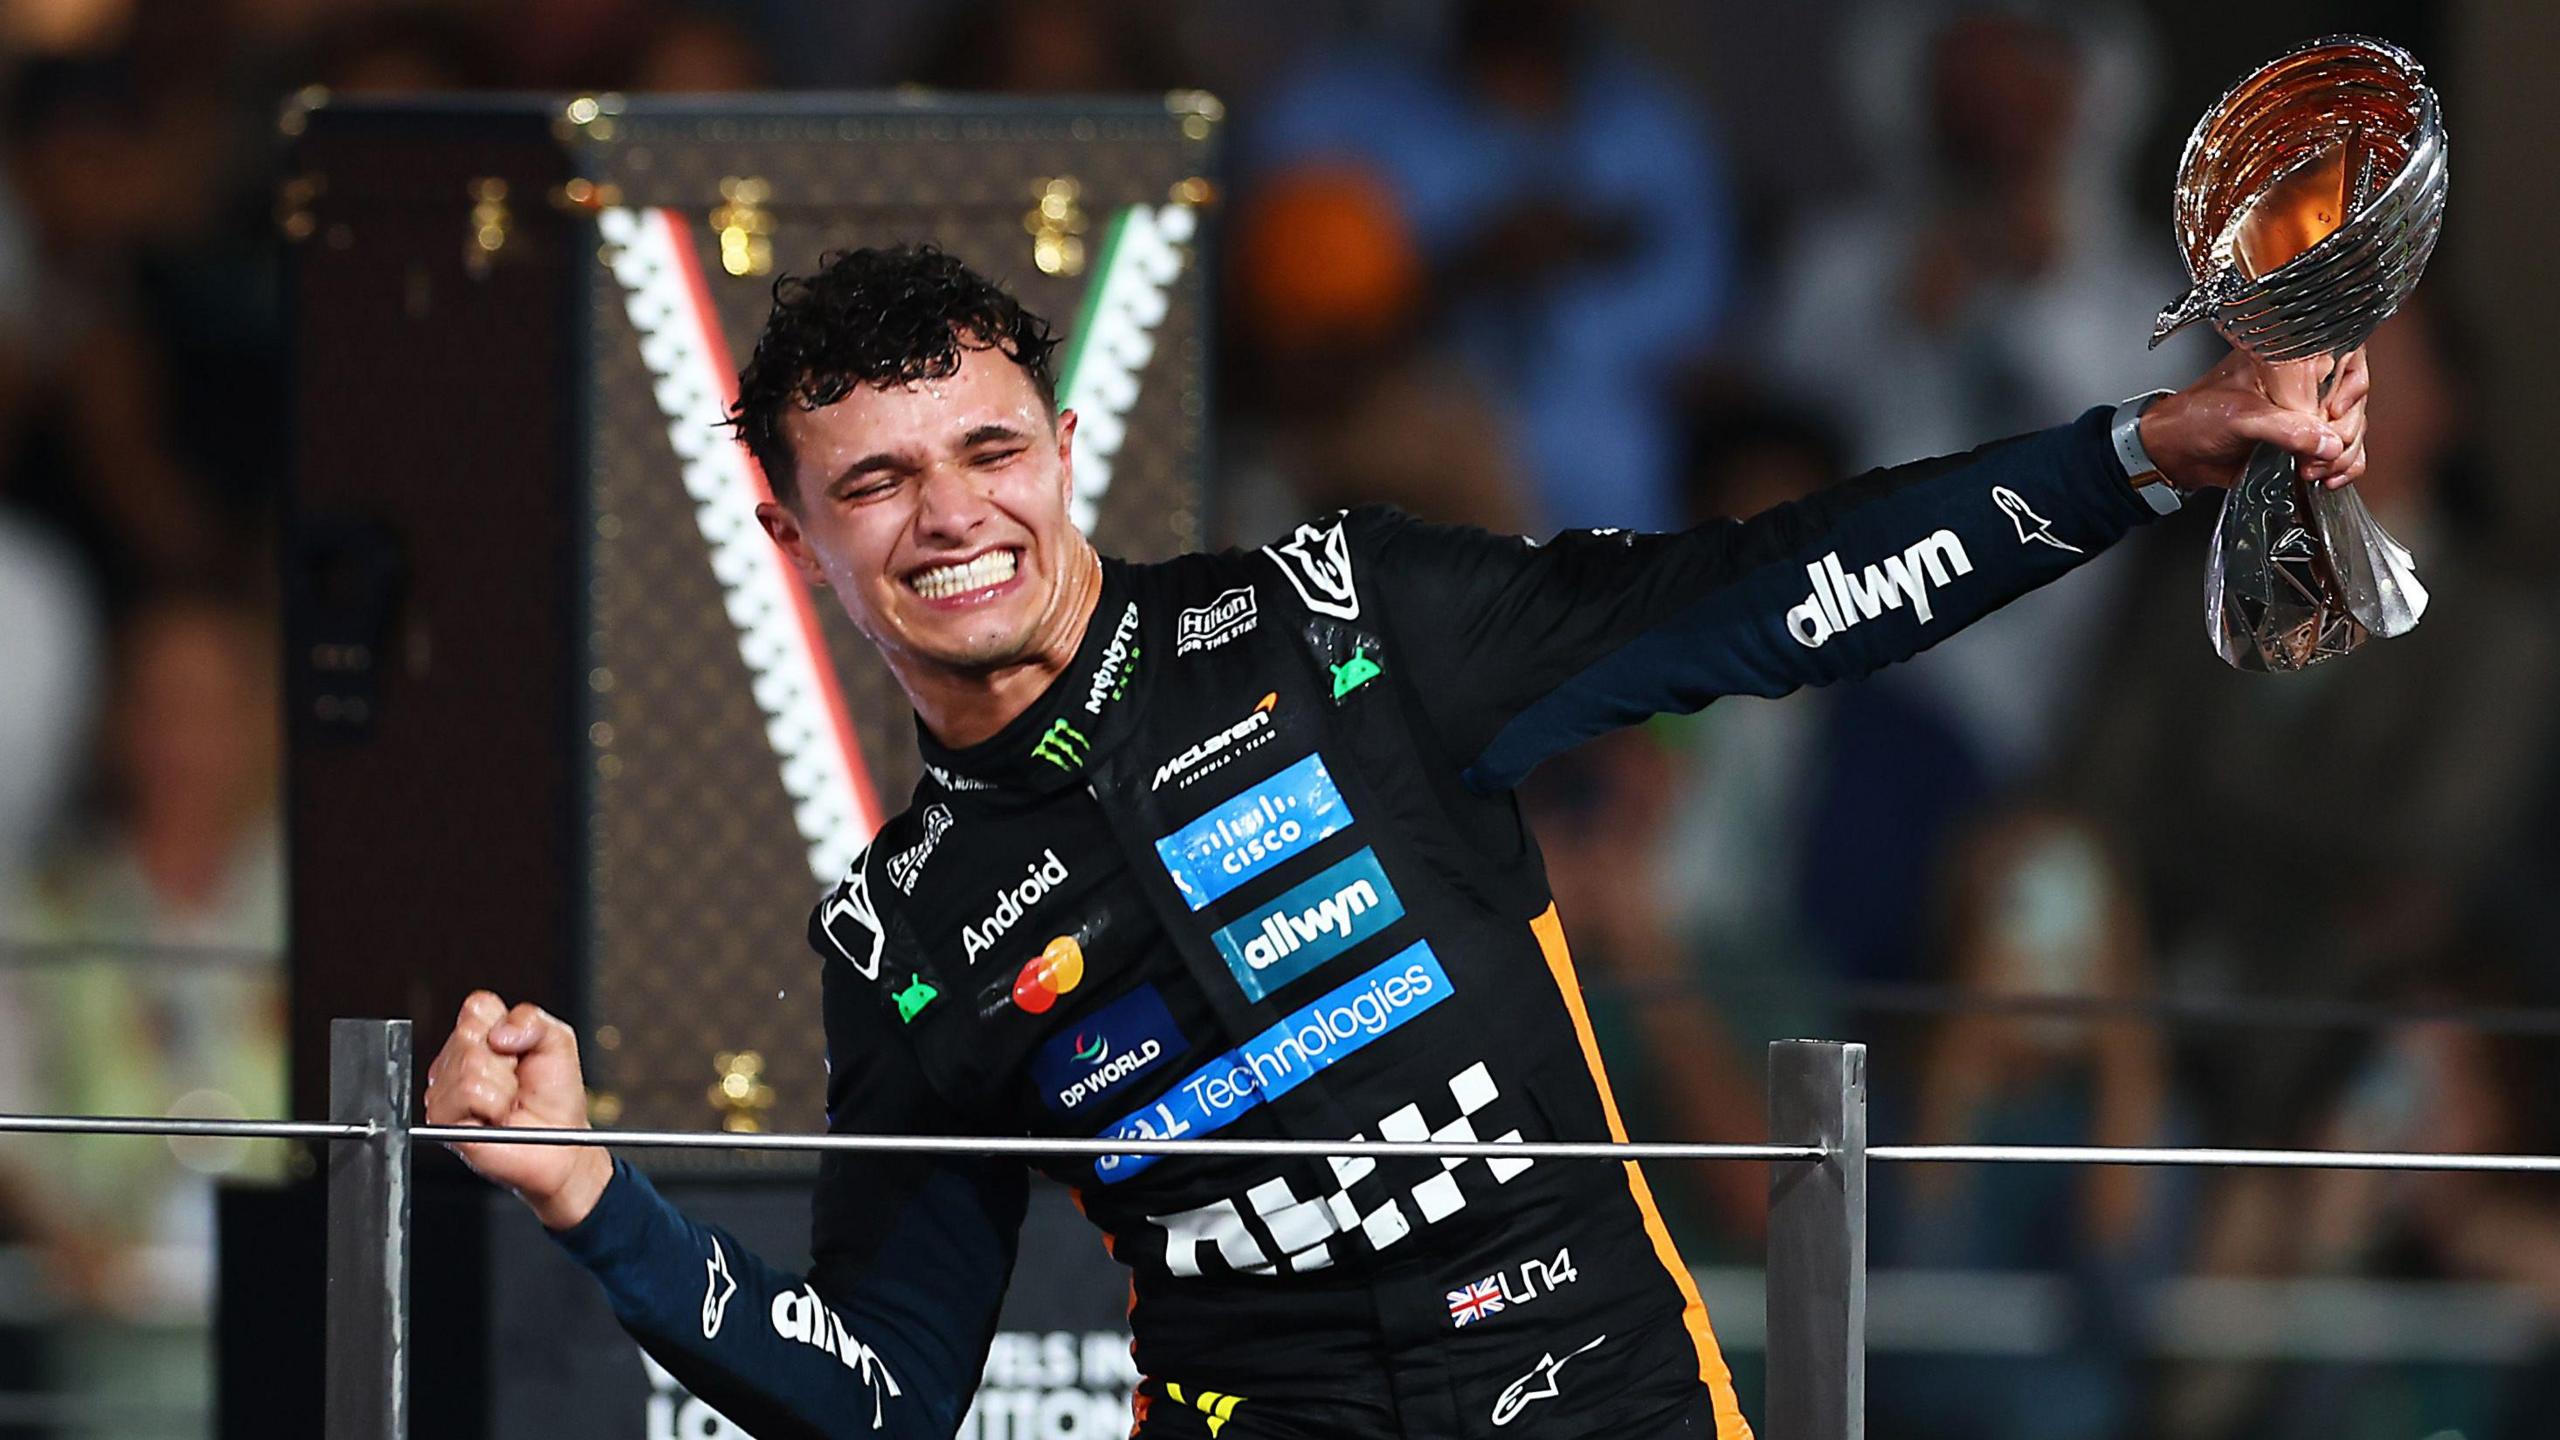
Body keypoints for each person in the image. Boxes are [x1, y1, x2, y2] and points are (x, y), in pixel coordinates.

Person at [423, 244, 2369, 1439]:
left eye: (989, 449)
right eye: (876, 482)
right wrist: (593, 1195)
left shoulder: (1337, 615)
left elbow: (1768, 592)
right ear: (792, 535)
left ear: (1064, 447)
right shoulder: (898, 934)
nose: (950, 517)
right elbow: (882, 1400)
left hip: (1597, 1392)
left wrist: (2139, 453)